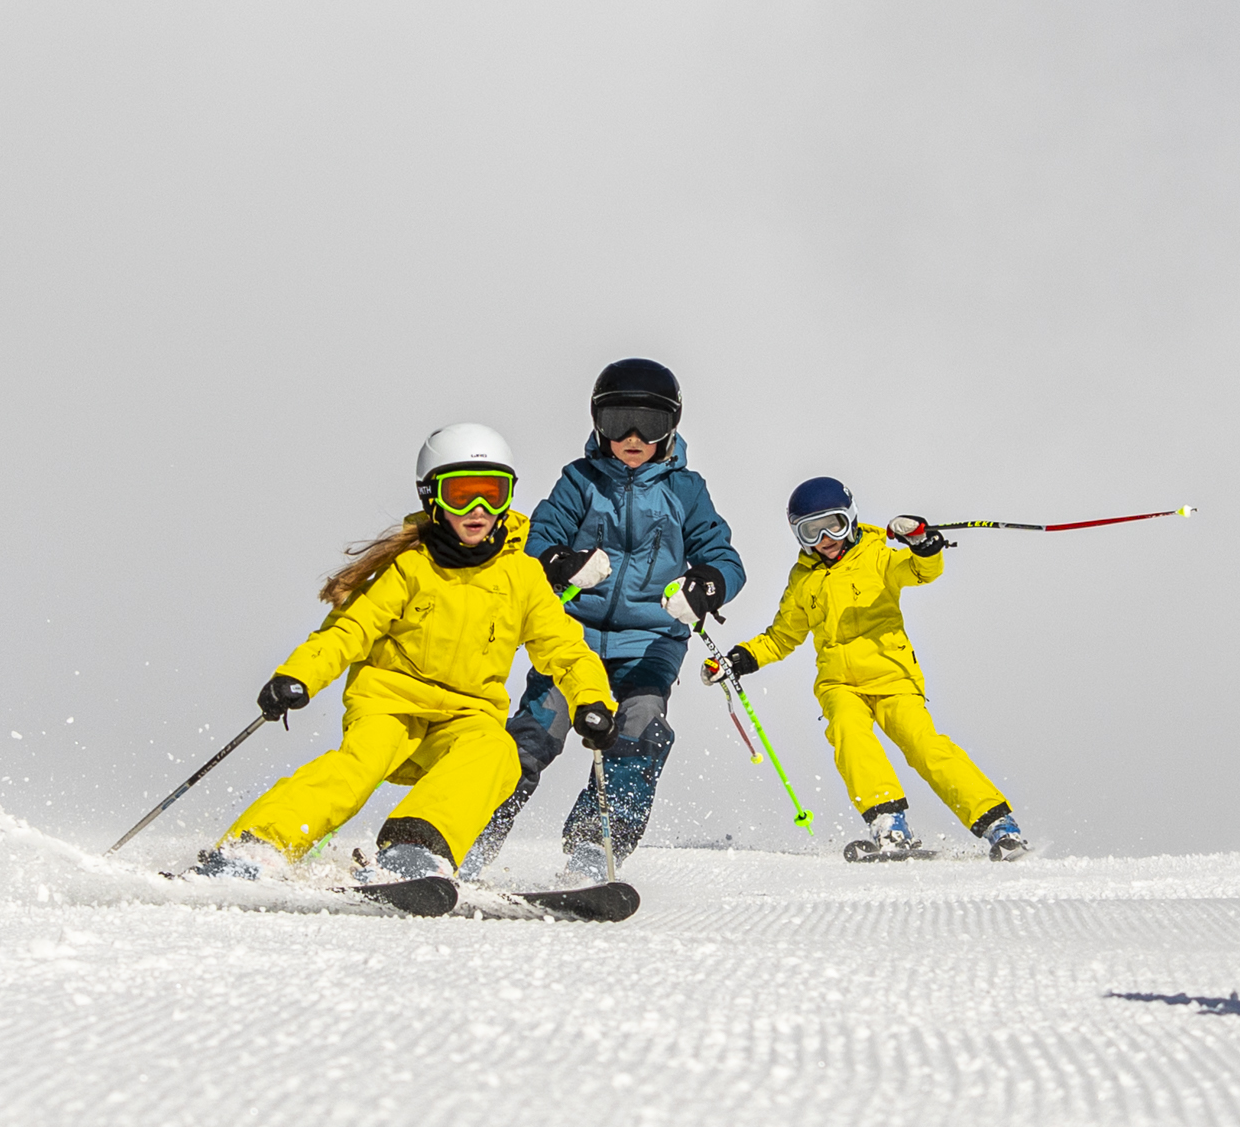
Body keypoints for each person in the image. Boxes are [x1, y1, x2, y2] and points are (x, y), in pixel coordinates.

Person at [200, 425, 619, 906]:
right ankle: (257, 846)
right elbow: (348, 630)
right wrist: (298, 675)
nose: (478, 510)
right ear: (432, 497)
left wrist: (591, 700)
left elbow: (565, 650)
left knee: (497, 752)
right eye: (461, 494)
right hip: (390, 707)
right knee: (355, 768)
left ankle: (414, 851)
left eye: (492, 493)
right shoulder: (409, 568)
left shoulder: (521, 576)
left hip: (466, 716)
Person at [463, 359, 749, 878]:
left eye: (650, 424)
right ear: (599, 424)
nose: (633, 437)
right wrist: (561, 562)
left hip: (650, 641)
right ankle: (468, 839)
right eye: (619, 423)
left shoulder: (686, 490)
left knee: (640, 732)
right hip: (572, 636)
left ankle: (596, 847)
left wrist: (705, 587)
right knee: (533, 733)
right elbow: (539, 538)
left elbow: (724, 558)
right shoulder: (580, 480)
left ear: (671, 427)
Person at [708, 477, 1032, 861]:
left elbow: (920, 571)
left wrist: (924, 545)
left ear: (851, 519)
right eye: (812, 531)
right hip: (839, 684)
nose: (825, 538)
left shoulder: (878, 555)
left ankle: (999, 825)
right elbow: (781, 637)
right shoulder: (803, 580)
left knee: (925, 746)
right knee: (850, 736)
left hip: (893, 677)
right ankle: (889, 825)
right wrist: (740, 659)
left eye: (834, 525)